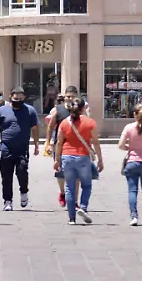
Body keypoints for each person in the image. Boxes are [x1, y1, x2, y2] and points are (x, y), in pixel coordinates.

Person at [0, 87, 39, 211]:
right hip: (6, 148)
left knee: (22, 173)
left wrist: (36, 145)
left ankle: (24, 192)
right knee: (6, 176)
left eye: (20, 99)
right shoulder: (2, 111)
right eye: (15, 99)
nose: (18, 101)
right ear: (10, 97)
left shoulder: (30, 111)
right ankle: (7, 201)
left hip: (22, 149)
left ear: (24, 98)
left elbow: (35, 128)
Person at [53, 97, 104, 226]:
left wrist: (56, 159)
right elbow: (96, 142)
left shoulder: (64, 123)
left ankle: (71, 218)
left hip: (67, 157)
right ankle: (83, 207)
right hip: (83, 157)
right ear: (83, 108)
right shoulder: (90, 122)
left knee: (69, 188)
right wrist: (100, 160)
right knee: (86, 185)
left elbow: (59, 143)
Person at [45, 86, 84, 209]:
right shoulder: (58, 110)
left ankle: (75, 201)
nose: (69, 98)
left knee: (76, 175)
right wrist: (47, 142)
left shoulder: (81, 110)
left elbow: (86, 125)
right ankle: (62, 192)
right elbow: (51, 127)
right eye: (67, 96)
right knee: (60, 172)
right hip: (60, 145)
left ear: (77, 97)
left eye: (72, 96)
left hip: (76, 145)